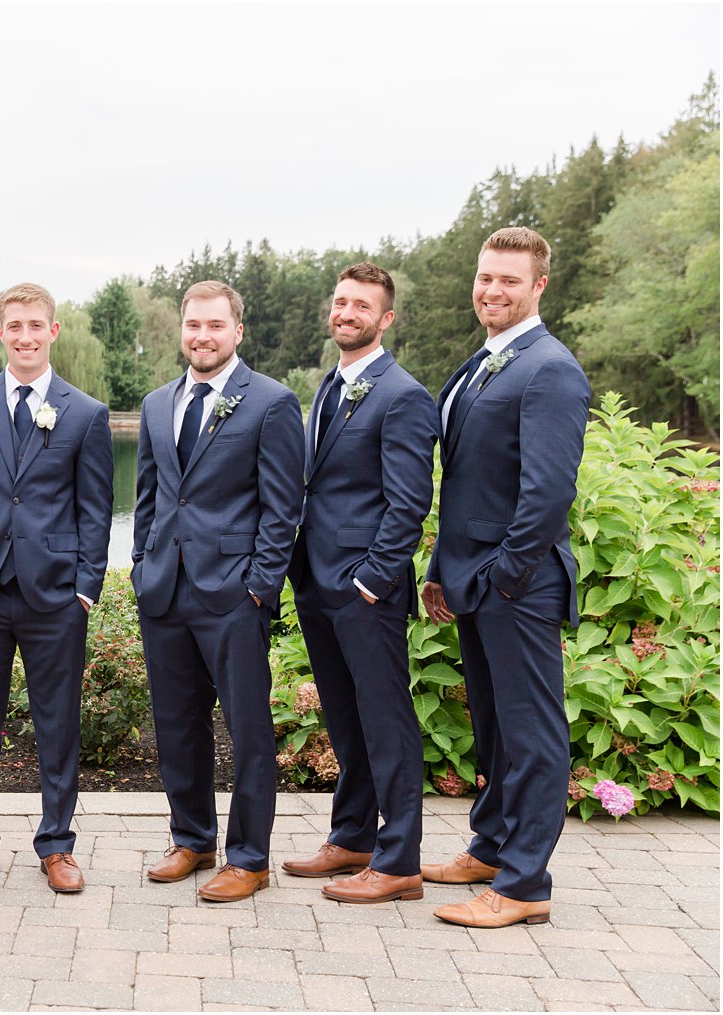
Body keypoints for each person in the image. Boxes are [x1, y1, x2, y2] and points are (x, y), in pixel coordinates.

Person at [421, 227, 591, 928]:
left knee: (532, 736)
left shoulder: (550, 369)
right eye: (486, 277)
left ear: (539, 285)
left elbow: (547, 494)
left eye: (509, 280)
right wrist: (440, 569)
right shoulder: (485, 362)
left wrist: (502, 576)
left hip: (518, 585)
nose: (492, 289)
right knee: (492, 728)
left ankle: (525, 884)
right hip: (474, 576)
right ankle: (491, 847)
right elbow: (462, 481)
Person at [0, 282, 113, 893]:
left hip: (55, 594)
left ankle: (57, 845)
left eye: (36, 325)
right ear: (1, 332)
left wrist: (86, 587)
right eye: (15, 326)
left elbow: (95, 509)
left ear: (53, 331)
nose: (26, 336)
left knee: (57, 723)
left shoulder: (83, 412)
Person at [132, 280, 303, 902]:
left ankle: (250, 857)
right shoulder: (158, 403)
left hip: (232, 595)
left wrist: (258, 587)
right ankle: (193, 838)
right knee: (177, 725)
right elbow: (150, 496)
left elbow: (282, 509)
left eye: (214, 325)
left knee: (249, 729)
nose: (202, 336)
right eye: (193, 325)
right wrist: (141, 564)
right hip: (164, 591)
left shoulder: (271, 403)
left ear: (237, 330)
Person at [282, 263, 437, 903]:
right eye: (341, 301)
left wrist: (372, 579)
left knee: (385, 720)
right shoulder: (331, 385)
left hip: (363, 589)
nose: (347, 312)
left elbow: (409, 503)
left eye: (362, 305)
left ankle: (399, 859)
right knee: (344, 717)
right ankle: (352, 836)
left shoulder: (402, 395)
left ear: (386, 317)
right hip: (318, 582)